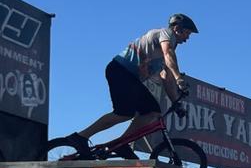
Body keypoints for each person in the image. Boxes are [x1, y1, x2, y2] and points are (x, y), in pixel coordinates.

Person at [59, 14, 198, 154]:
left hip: (130, 77)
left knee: (152, 111)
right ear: (177, 28)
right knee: (124, 113)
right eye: (187, 33)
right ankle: (80, 137)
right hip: (120, 71)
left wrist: (176, 102)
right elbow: (168, 54)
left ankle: (122, 143)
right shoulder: (165, 34)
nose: (187, 39)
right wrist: (179, 78)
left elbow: (166, 77)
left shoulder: (167, 51)